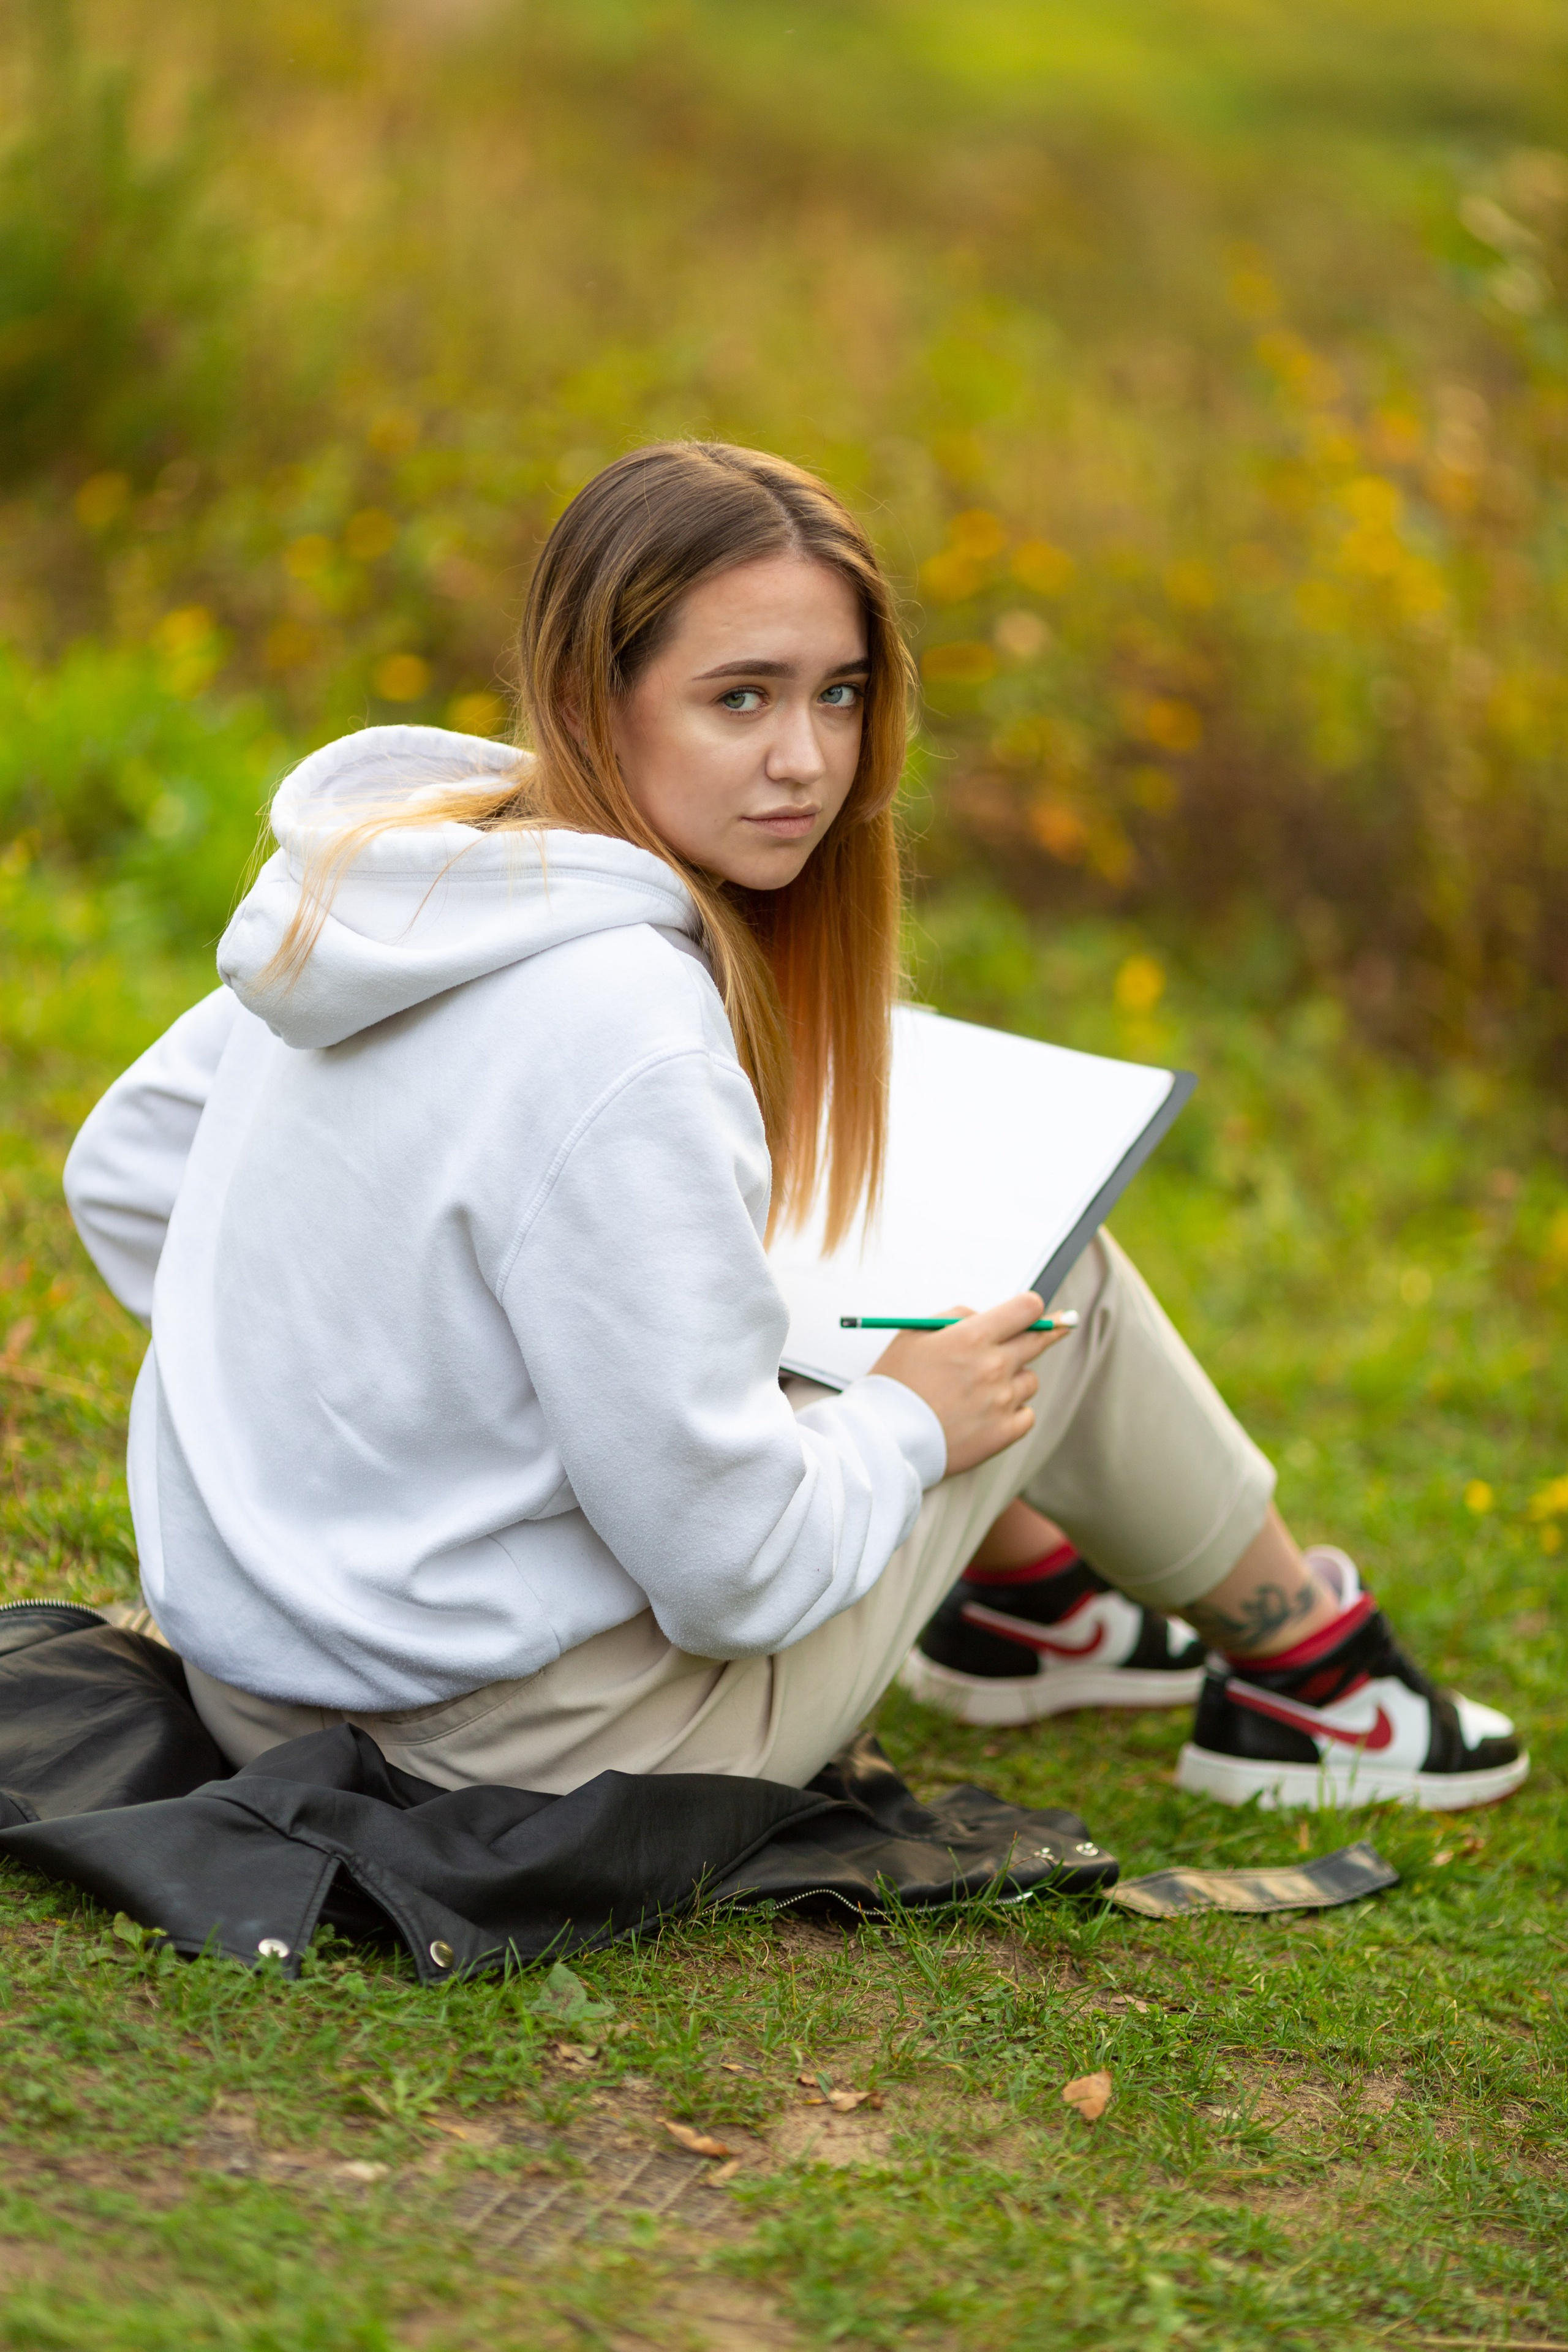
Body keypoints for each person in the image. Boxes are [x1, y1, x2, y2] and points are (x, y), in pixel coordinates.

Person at [64, 442, 1525, 1815]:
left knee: (812, 1323)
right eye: (740, 697)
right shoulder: (625, 1020)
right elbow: (730, 1580)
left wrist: (374, 1423)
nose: (807, 763)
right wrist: (904, 1424)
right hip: (521, 1746)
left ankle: (1038, 1610)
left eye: (837, 695)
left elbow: (125, 1177)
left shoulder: (397, 887)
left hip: (259, 1679)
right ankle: (1316, 1687)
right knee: (1042, 1287)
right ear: (592, 695)